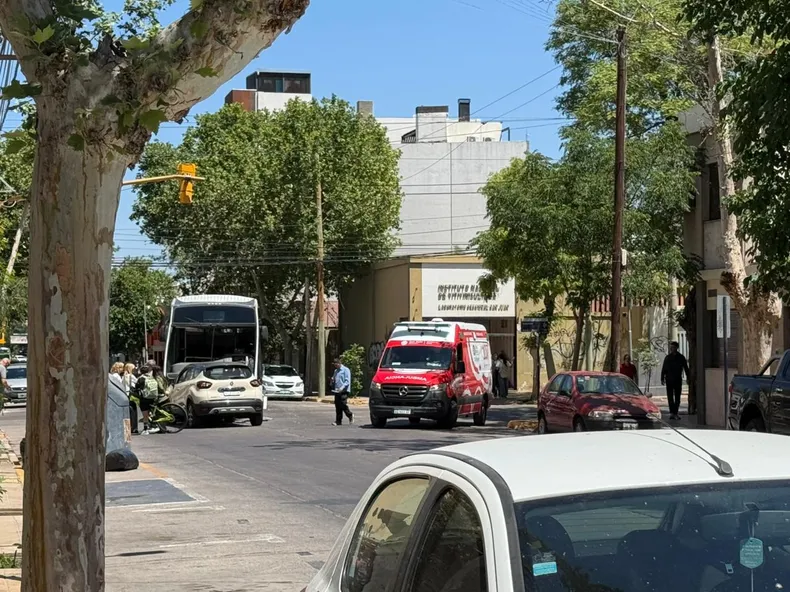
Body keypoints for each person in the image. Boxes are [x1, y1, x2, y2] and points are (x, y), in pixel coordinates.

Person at [661, 341, 689, 420]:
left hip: (677, 379)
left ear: (676, 348)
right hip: (669, 380)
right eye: (671, 347)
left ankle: (675, 412)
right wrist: (662, 378)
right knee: (670, 397)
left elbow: (686, 368)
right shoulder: (667, 357)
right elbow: (664, 369)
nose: (672, 349)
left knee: (677, 397)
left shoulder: (681, 357)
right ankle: (672, 413)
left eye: (673, 347)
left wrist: (688, 378)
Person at [134, 365, 160, 435]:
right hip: (153, 397)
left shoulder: (141, 378)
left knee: (145, 414)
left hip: (145, 398)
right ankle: (154, 425)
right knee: (150, 411)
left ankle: (146, 429)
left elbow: (137, 387)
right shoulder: (151, 377)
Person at [331, 357, 353, 426]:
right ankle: (338, 421)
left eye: (336, 365)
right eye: (335, 365)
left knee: (343, 404)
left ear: (339, 363)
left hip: (344, 390)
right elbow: (334, 378)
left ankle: (350, 415)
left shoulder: (345, 370)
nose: (336, 366)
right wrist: (332, 380)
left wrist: (342, 388)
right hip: (337, 390)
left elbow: (347, 381)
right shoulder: (336, 371)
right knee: (337, 405)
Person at [123, 363, 139, 434]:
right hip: (131, 395)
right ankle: (134, 428)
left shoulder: (124, 376)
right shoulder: (131, 376)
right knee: (133, 412)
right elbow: (136, 383)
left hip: (125, 395)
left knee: (127, 413)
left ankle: (127, 428)